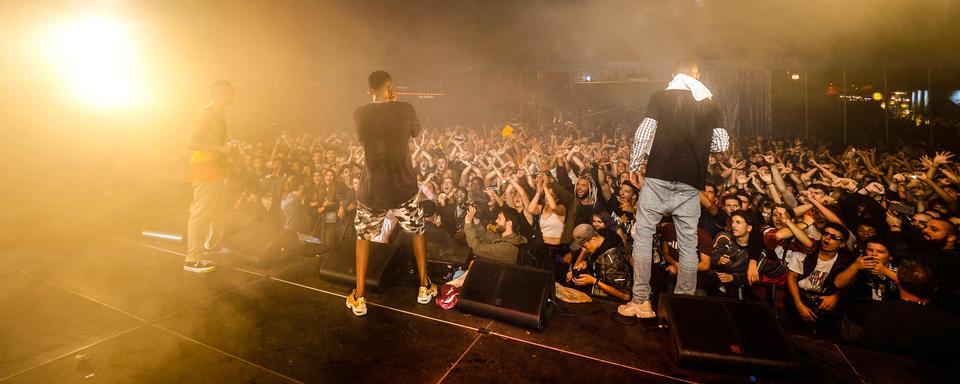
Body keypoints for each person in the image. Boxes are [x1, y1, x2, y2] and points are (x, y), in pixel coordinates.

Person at [618, 61, 730, 319]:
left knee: (644, 237)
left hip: (658, 176)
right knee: (689, 245)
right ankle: (683, 306)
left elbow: (644, 132)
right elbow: (721, 143)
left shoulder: (660, 96)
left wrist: (635, 165)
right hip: (691, 182)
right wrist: (696, 147)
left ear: (673, 74)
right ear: (698, 74)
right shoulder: (710, 102)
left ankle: (641, 302)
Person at [346, 71, 436, 317]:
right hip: (402, 188)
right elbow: (415, 132)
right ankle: (424, 286)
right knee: (417, 232)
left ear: (369, 90)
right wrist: (394, 104)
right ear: (390, 88)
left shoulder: (360, 113)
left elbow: (363, 137)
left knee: (363, 236)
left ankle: (360, 296)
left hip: (373, 190)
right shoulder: (404, 108)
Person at [185, 80, 235, 273]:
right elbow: (191, 142)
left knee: (216, 211)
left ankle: (208, 247)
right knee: (201, 212)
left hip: (215, 168)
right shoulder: (208, 114)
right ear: (223, 93)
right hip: (204, 169)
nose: (234, 95)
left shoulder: (219, 113)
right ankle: (192, 258)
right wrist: (221, 148)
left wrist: (226, 147)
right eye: (232, 92)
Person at [567, 224, 633, 301]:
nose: (583, 249)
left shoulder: (613, 260)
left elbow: (626, 296)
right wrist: (586, 263)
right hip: (596, 295)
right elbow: (598, 259)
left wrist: (594, 281)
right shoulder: (600, 238)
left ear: (593, 238)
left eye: (584, 246)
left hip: (612, 304)